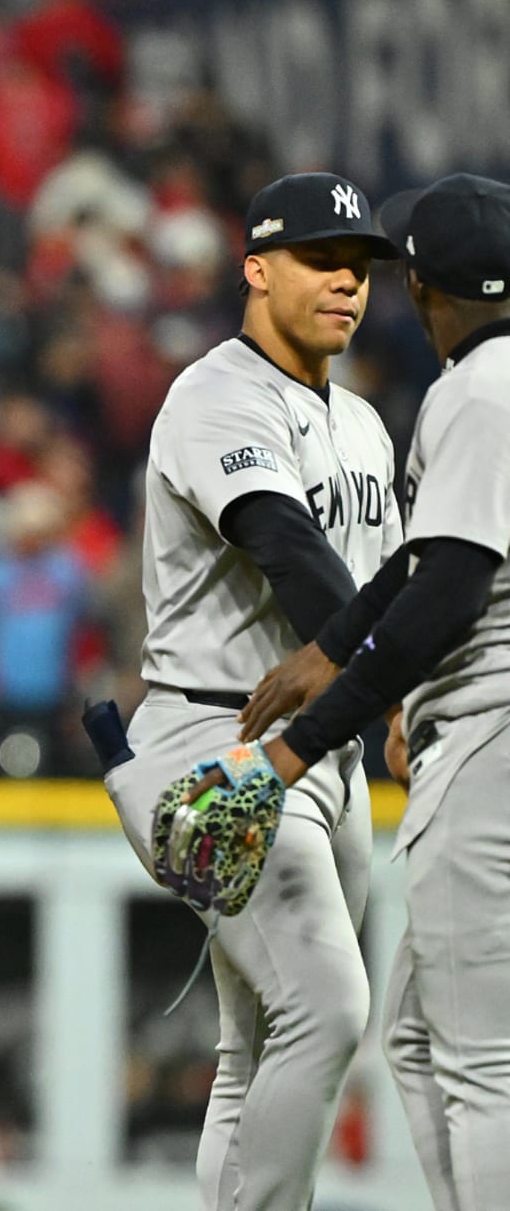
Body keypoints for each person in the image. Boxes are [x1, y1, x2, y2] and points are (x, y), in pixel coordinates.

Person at [97, 173, 402, 1211]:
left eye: (360, 269)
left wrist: (396, 682)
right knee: (326, 1004)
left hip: (330, 751)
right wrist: (371, 658)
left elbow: (394, 586)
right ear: (257, 268)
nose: (347, 285)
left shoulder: (362, 423)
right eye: (323, 261)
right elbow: (285, 544)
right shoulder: (213, 394)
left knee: (260, 1040)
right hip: (215, 733)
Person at [234, 173, 510, 1211]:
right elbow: (429, 559)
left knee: (483, 1062)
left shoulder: (481, 388)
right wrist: (334, 645)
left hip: (491, 734)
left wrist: (306, 742)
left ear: (425, 292)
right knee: (415, 1037)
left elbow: (446, 591)